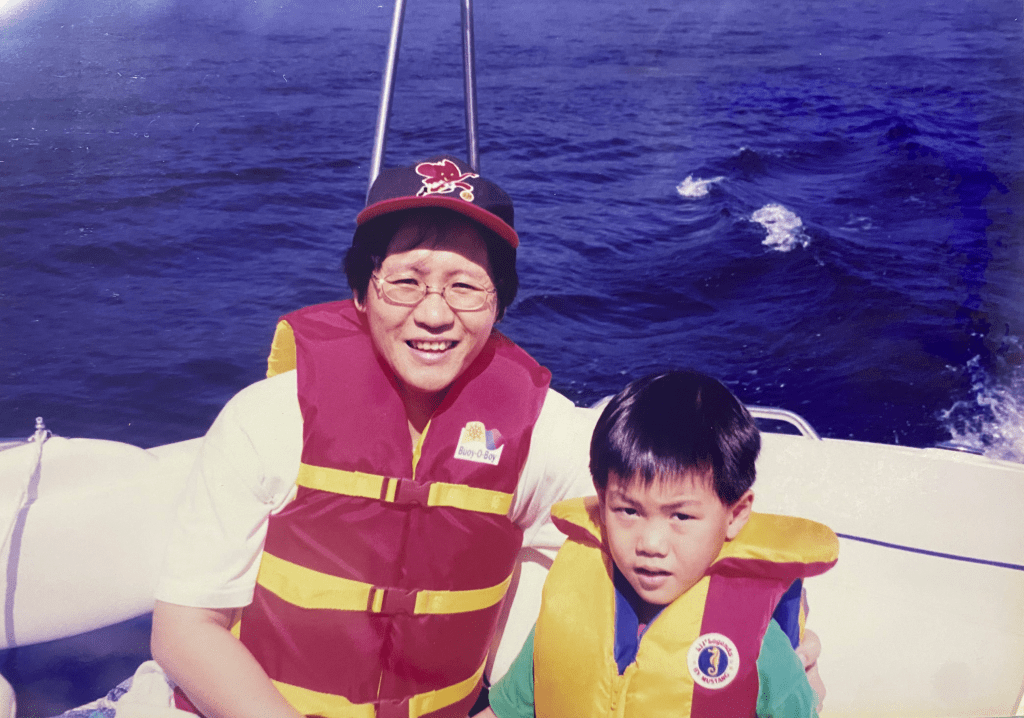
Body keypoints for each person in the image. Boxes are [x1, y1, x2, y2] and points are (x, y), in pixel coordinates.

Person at [48, 157, 824, 718]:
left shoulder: (544, 433)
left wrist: (773, 626)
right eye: (406, 280)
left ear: (498, 305)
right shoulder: (268, 418)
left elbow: (669, 506)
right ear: (362, 292)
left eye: (465, 286)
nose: (433, 312)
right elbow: (185, 632)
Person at [478, 370, 839, 718]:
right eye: (628, 511)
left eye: (680, 516)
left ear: (736, 514)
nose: (650, 544)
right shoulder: (569, 607)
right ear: (602, 502)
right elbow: (505, 710)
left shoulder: (763, 649)